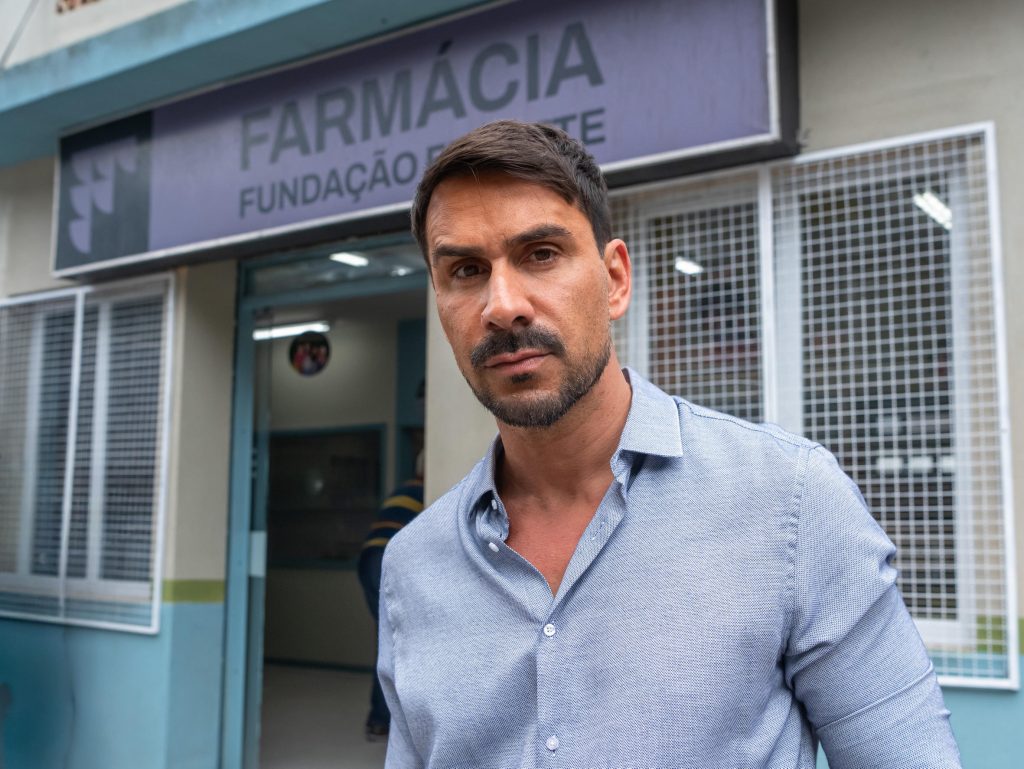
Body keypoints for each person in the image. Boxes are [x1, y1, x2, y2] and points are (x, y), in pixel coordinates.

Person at [377, 120, 962, 768]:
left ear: (615, 280)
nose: (503, 305)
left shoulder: (790, 503)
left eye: (541, 253)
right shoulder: (413, 566)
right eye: (465, 270)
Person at [357, 451, 424, 740]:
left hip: (368, 559)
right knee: (397, 643)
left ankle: (381, 720)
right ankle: (384, 720)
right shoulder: (424, 493)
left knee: (389, 639)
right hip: (386, 560)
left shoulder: (403, 491)